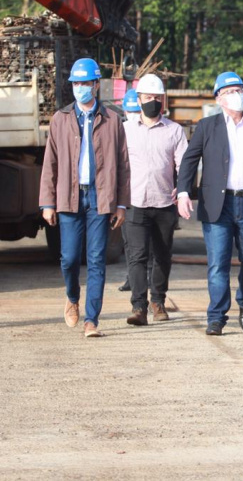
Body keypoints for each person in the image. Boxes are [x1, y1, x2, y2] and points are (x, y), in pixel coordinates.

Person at [177, 71, 243, 336]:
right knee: (218, 264)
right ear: (219, 98)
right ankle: (216, 317)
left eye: (239, 90)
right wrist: (183, 193)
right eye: (230, 91)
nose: (236, 95)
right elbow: (189, 161)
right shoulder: (207, 126)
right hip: (218, 206)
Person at [40, 58, 131, 338]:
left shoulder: (112, 120)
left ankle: (92, 319)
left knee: (96, 259)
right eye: (76, 83)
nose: (80, 88)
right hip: (69, 197)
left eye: (85, 83)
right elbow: (50, 163)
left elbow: (123, 165)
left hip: (100, 197)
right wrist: (47, 202)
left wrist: (121, 204)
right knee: (68, 258)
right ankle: (72, 296)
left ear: (95, 85)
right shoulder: (61, 119)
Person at [122, 74, 188, 327]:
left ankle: (158, 301)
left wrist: (182, 189)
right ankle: (138, 306)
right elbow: (117, 165)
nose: (153, 101)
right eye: (148, 97)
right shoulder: (125, 130)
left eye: (157, 97)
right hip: (135, 202)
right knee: (137, 256)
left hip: (164, 203)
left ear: (163, 100)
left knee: (162, 255)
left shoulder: (174, 131)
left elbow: (184, 165)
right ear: (138, 100)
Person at [117, 88, 150, 293]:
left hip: (148, 194)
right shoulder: (121, 131)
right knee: (129, 242)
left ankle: (149, 279)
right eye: (129, 112)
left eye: (136, 112)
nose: (133, 116)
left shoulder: (149, 132)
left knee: (149, 244)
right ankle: (132, 278)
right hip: (128, 196)